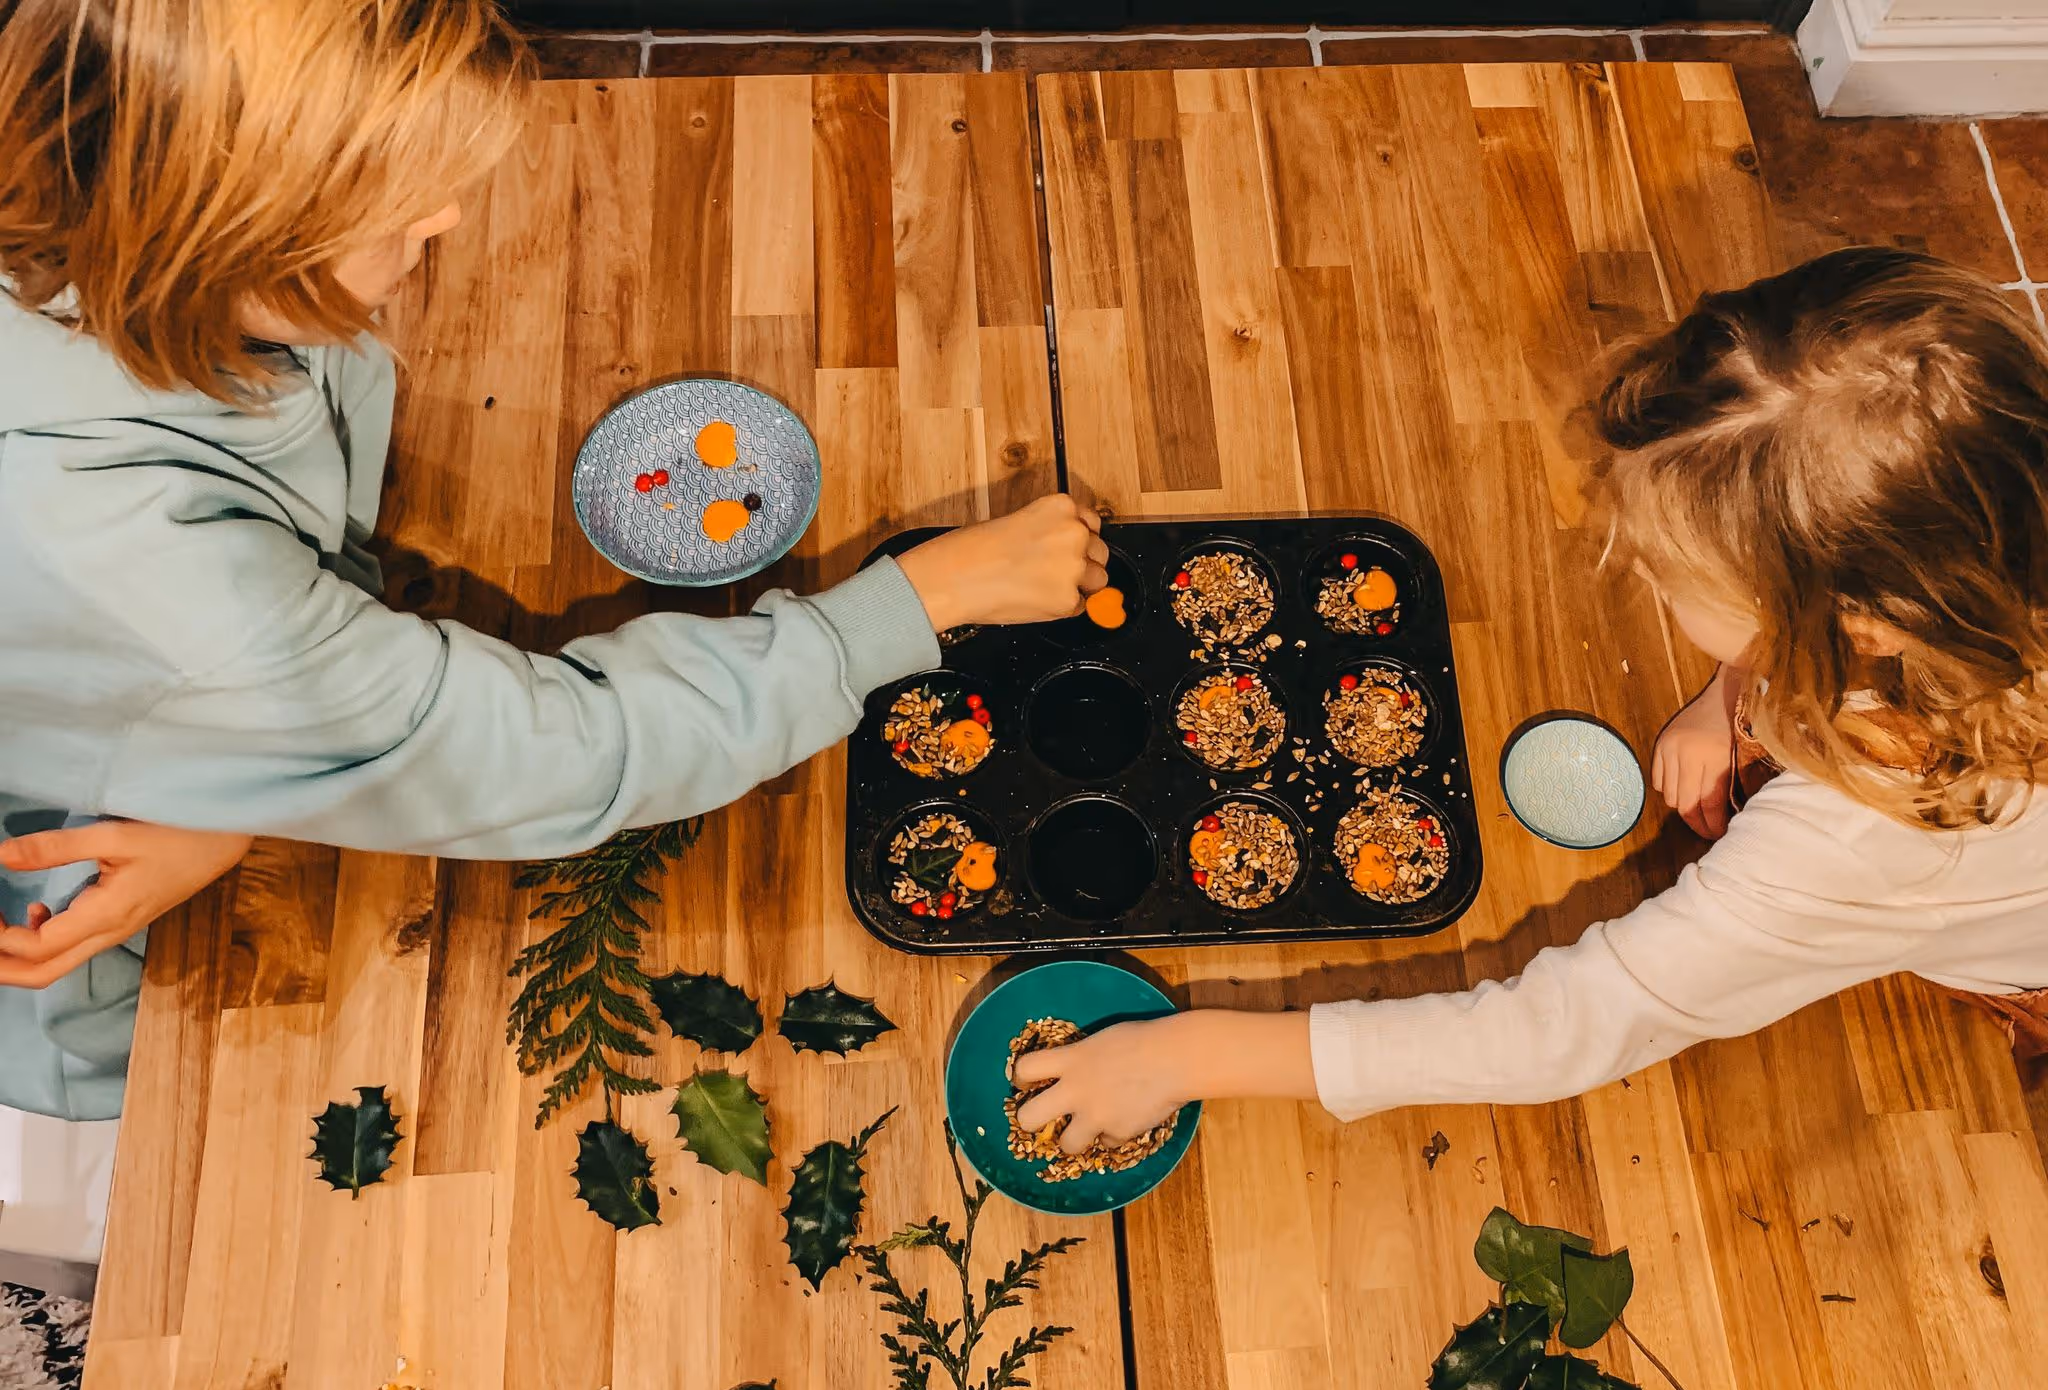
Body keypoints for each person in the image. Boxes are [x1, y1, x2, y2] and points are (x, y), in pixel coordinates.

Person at [0, 0, 1107, 1120]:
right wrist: (919, 598)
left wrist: (226, 776)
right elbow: (559, 753)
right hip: (86, 971)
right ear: (223, 231)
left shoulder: (98, 255)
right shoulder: (173, 590)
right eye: (389, 204)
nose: (445, 213)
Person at [1014, 246, 2048, 1147]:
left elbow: (1561, 1029)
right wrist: (1728, 693)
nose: (1645, 579)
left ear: (1842, 626)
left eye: (1677, 579)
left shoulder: (1859, 849)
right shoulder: (1984, 525)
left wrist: (1185, 1056)